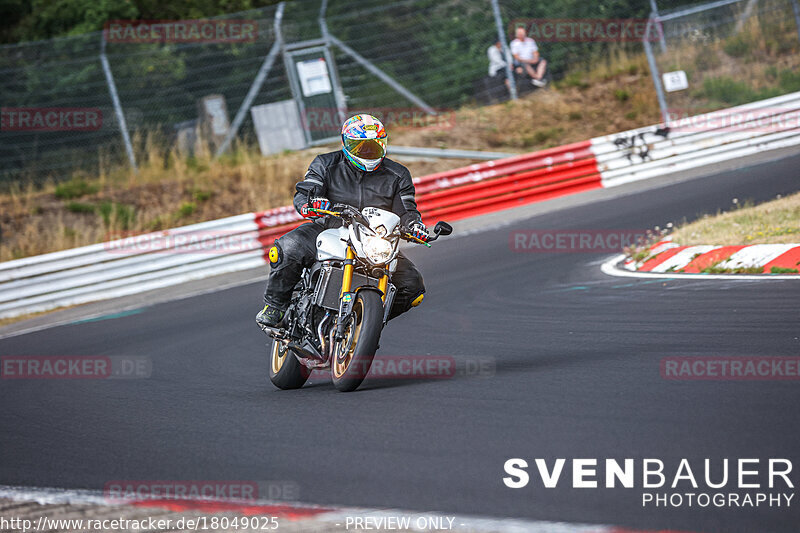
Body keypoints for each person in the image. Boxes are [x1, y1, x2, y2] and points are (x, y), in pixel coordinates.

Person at [256, 114, 429, 329]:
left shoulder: (398, 174)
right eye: (361, 147)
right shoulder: (325, 164)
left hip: (373, 238)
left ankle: (363, 324)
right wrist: (311, 203)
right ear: (345, 144)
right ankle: (275, 305)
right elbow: (306, 190)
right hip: (328, 228)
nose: (367, 152)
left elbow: (407, 211)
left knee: (412, 286)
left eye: (373, 147)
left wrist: (415, 226)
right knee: (288, 247)